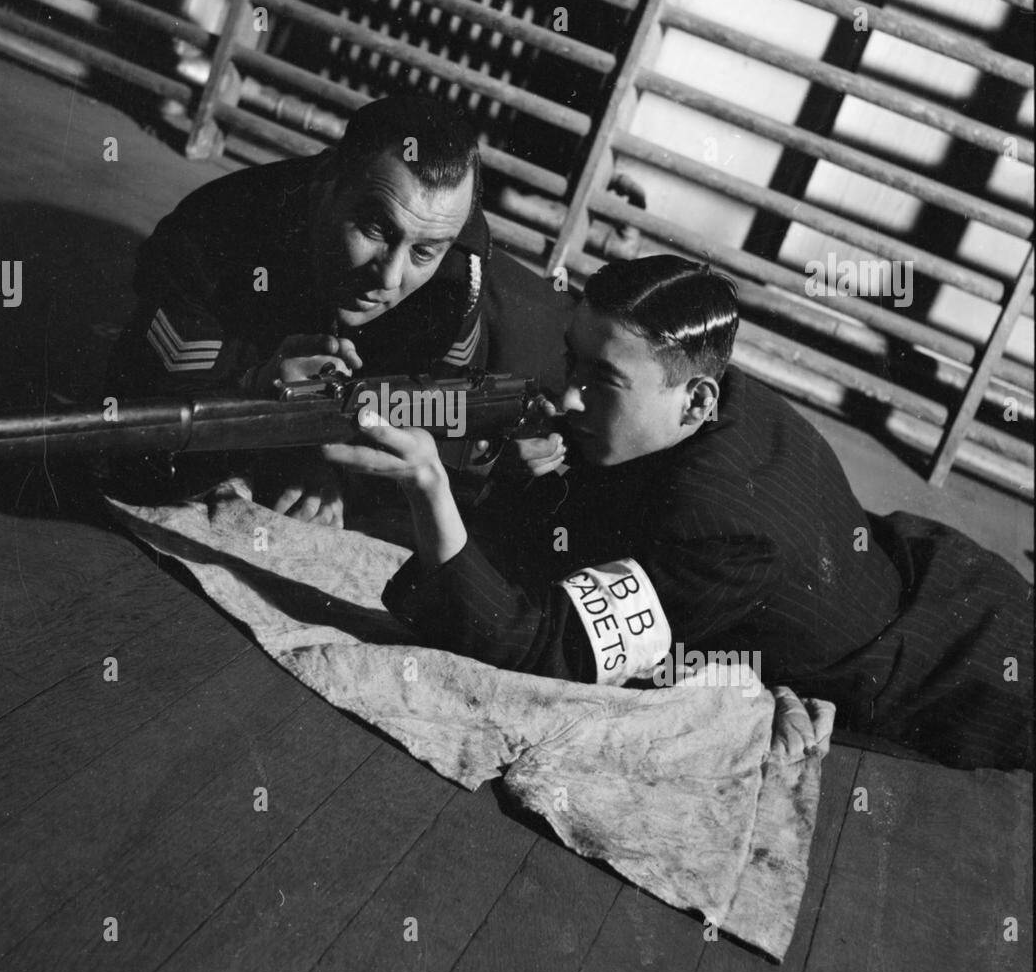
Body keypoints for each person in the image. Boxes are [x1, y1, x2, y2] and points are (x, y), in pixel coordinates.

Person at [323, 254, 1033, 772]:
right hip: (938, 570)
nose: (567, 398)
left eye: (601, 383)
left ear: (695, 400)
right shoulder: (704, 384)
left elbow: (543, 650)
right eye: (572, 363)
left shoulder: (720, 523)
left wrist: (431, 490)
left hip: (953, 677)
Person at [106, 94, 496, 523]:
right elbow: (137, 446)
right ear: (327, 178)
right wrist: (255, 396)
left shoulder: (456, 277)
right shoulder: (207, 239)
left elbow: (441, 417)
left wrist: (334, 460)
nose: (389, 278)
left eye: (424, 252)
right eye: (376, 227)